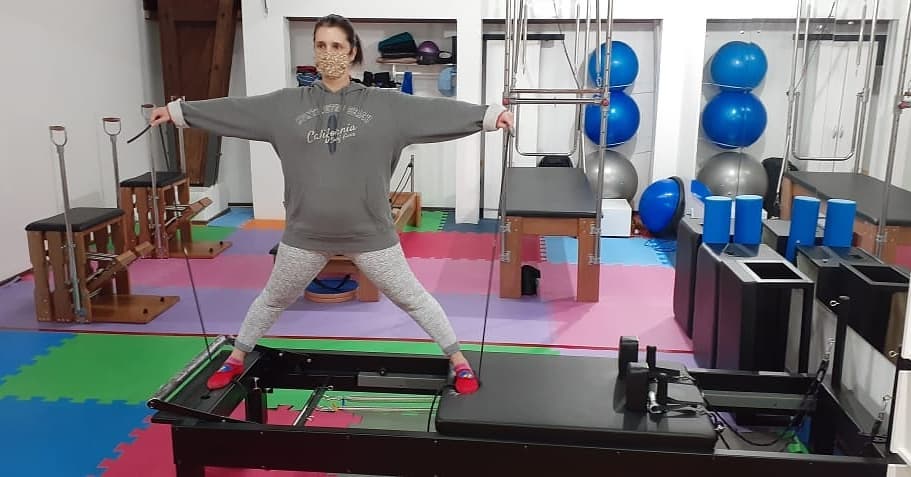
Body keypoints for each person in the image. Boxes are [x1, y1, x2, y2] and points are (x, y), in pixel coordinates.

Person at [149, 13, 514, 394]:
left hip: (370, 235)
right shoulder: (285, 105)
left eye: (337, 45)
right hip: (306, 236)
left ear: (352, 51)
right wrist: (179, 113)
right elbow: (236, 109)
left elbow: (438, 112)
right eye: (321, 45)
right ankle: (236, 356)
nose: (328, 53)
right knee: (272, 300)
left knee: (414, 300)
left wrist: (489, 116)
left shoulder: (387, 106)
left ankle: (458, 360)